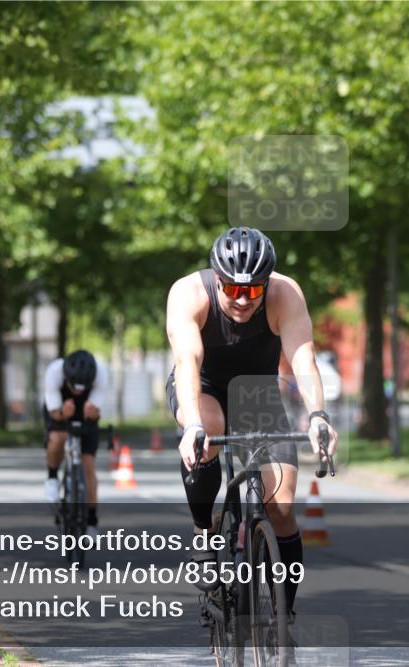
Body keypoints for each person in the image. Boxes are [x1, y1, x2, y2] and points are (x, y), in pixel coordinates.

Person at [165, 226, 339, 623]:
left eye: (254, 290)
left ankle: (282, 614)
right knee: (207, 428)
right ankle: (204, 533)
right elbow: (188, 362)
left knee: (281, 506)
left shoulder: (285, 294)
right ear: (217, 279)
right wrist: (192, 425)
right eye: (232, 289)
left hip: (257, 393)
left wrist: (318, 416)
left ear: (266, 284)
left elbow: (303, 361)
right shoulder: (188, 294)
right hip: (201, 387)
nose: (242, 299)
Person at [42, 349, 108, 530]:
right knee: (57, 437)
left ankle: (92, 523)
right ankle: (52, 477)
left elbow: (96, 410)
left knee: (88, 467)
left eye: (82, 388)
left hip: (86, 411)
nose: (78, 391)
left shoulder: (100, 374)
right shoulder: (54, 372)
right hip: (60, 406)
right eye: (74, 387)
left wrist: (92, 412)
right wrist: (62, 413)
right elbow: (53, 412)